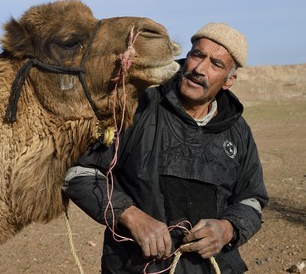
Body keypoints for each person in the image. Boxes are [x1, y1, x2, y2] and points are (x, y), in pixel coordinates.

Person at [62, 22, 269, 274]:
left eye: (216, 64)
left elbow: (251, 199)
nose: (199, 69)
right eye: (197, 55)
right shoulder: (139, 106)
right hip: (136, 266)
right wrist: (131, 216)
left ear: (229, 80)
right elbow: (80, 173)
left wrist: (227, 229)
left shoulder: (237, 130)